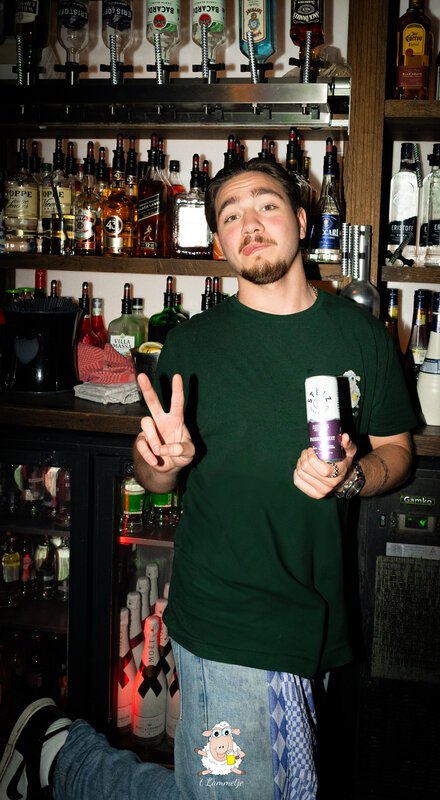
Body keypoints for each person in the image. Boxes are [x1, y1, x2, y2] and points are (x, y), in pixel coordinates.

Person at [0, 158, 417, 800]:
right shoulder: (193, 345)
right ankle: (64, 759)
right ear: (218, 241)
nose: (249, 224)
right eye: (230, 215)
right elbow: (155, 479)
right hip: (225, 619)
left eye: (266, 205)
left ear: (302, 220)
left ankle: (57, 755)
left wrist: (353, 477)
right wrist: (159, 462)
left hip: (319, 619)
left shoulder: (360, 335)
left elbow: (397, 450)